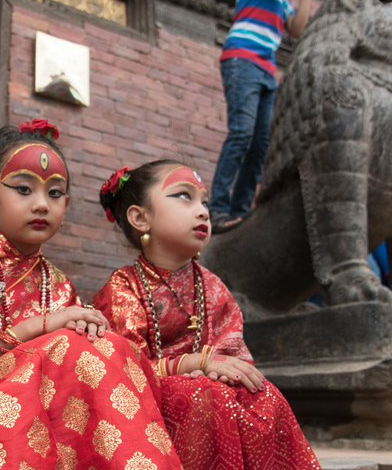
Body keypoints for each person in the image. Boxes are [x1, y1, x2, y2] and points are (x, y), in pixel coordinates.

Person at [0, 121, 184, 469]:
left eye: (54, 193)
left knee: (113, 346)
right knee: (66, 345)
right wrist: (36, 328)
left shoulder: (58, 282)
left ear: (66, 204)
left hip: (41, 411)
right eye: (24, 190)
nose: (41, 204)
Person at [94, 160, 321, 470]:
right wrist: (192, 364)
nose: (202, 211)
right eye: (184, 196)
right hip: (153, 401)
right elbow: (125, 368)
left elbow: (231, 353)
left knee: (264, 394)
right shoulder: (124, 287)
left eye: (205, 202)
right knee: (203, 394)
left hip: (211, 391)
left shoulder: (212, 285)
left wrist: (226, 370)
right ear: (140, 217)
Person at [210, 0, 369, 231]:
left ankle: (240, 210)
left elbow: (296, 28)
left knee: (261, 145)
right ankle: (218, 208)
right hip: (243, 60)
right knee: (242, 133)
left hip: (266, 68)